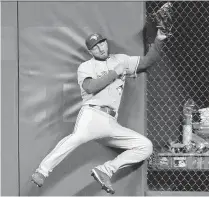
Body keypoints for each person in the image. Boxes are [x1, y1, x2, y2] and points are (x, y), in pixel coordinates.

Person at [31, 16, 168, 195]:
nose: (100, 48)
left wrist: (159, 40)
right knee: (75, 138)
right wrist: (114, 73)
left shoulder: (121, 60)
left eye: (102, 43)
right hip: (92, 115)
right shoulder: (86, 66)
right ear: (90, 51)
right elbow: (91, 87)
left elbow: (147, 62)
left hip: (111, 123)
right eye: (95, 47)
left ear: (106, 43)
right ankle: (42, 171)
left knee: (145, 146)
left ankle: (105, 170)